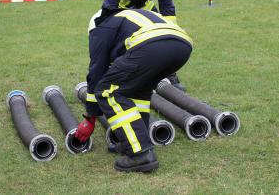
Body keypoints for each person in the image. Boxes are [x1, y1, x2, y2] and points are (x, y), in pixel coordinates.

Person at [75, 9, 193, 172]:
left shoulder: (99, 29)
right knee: (139, 92)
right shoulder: (125, 19)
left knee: (107, 91)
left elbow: (97, 72)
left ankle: (140, 154)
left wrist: (90, 118)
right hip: (182, 45)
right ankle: (135, 141)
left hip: (152, 44)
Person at [95, 0, 184, 89]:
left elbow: (167, 6)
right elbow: (109, 6)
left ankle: (169, 75)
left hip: (144, 6)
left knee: (160, 37)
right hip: (120, 9)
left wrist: (171, 31)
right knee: (122, 40)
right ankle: (114, 72)